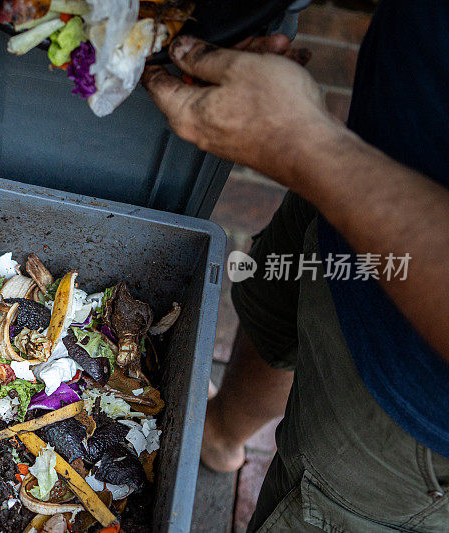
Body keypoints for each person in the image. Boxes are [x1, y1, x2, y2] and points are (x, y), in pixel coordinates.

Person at [142, 1, 449, 530]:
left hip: (409, 408)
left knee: (314, 498)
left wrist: (308, 150)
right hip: (364, 165)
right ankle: (220, 436)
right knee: (274, 308)